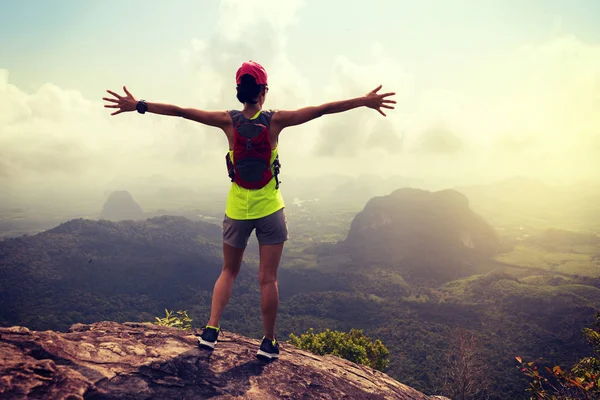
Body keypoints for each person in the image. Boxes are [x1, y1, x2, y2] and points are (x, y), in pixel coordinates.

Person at [102, 60, 396, 360]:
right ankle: (268, 342)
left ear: (239, 92)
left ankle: (211, 330)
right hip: (270, 209)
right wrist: (364, 101)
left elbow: (180, 111)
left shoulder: (227, 121)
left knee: (229, 270)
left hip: (237, 210)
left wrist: (138, 104)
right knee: (268, 279)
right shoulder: (275, 121)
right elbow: (321, 109)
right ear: (263, 92)